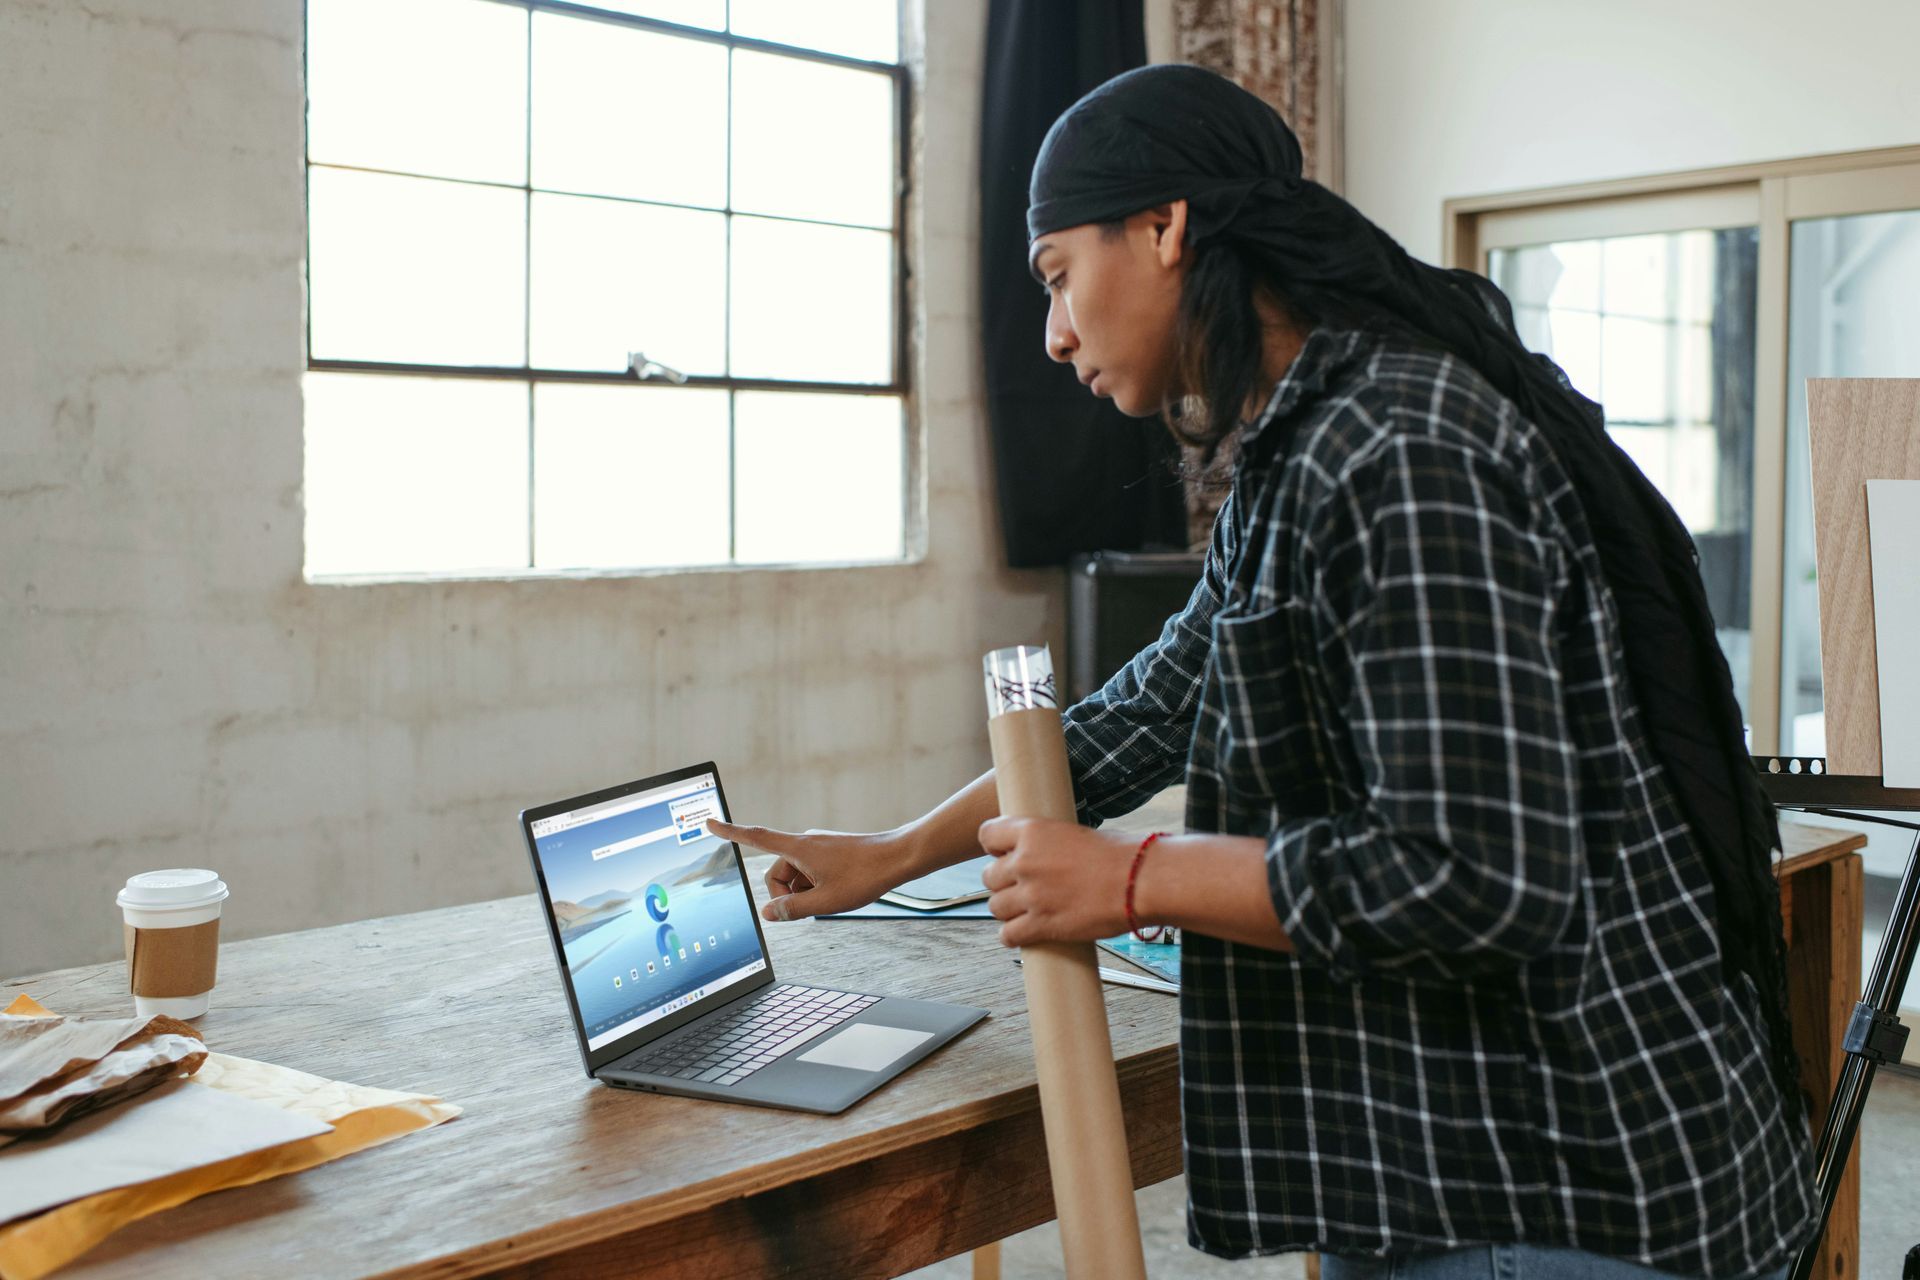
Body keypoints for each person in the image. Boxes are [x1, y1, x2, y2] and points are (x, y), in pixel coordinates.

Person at [711, 65, 1813, 1280]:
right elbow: (1146, 710)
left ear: (1165, 228)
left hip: (1562, 1187)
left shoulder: (1397, 446)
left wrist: (1133, 875)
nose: (1054, 332)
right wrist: (897, 850)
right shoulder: (1304, 449)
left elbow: (1474, 880)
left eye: (1057, 275)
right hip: (1478, 1171)